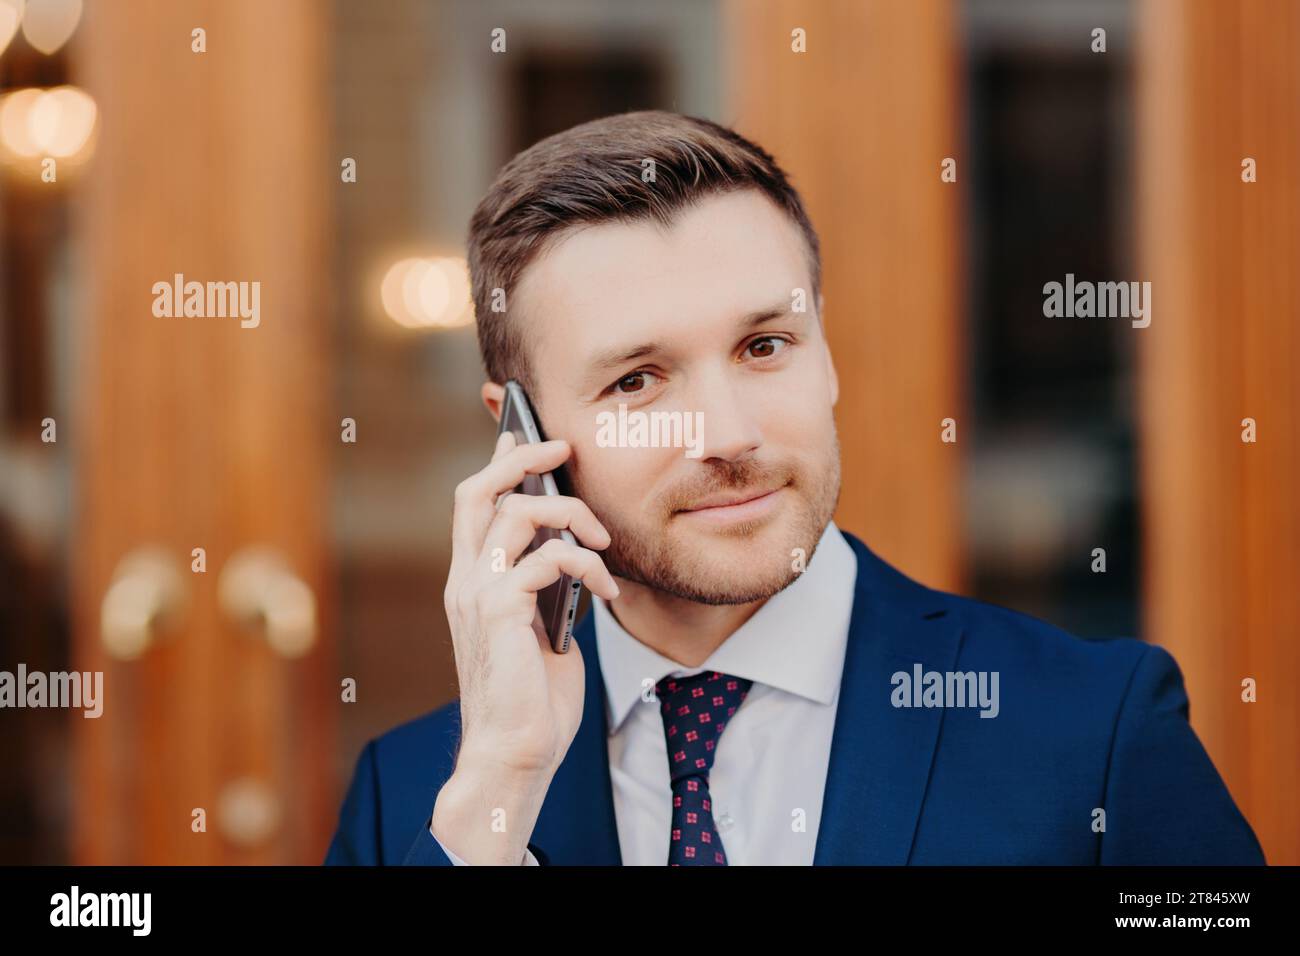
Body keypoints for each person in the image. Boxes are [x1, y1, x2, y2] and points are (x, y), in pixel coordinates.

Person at [325, 111, 1264, 866]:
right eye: (637, 381)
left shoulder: (1095, 732)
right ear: (518, 434)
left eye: (764, 347)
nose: (730, 435)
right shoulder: (421, 800)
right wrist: (500, 786)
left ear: (827, 359)